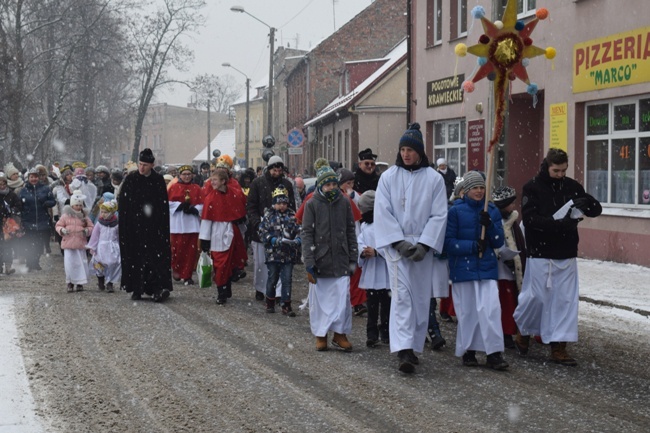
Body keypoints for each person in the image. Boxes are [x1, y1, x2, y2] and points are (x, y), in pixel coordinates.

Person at [513, 148, 602, 366]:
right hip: (540, 252)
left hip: (566, 251)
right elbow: (531, 219)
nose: (560, 174)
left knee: (565, 301)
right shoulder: (532, 187)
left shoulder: (571, 186)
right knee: (535, 298)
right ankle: (523, 330)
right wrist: (558, 225)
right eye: (556, 171)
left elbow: (596, 209)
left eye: (563, 170)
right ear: (547, 166)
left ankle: (559, 346)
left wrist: (587, 204)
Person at [374, 123, 448, 374]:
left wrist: (425, 244)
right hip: (397, 248)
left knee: (420, 298)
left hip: (422, 248)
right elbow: (382, 212)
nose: (406, 154)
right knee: (402, 296)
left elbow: (439, 215)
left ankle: (414, 346)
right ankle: (403, 349)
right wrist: (398, 242)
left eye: (410, 150)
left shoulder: (434, 179)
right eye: (403, 149)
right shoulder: (388, 177)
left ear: (420, 152)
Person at [444, 171, 509, 370]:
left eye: (482, 187)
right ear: (465, 190)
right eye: (475, 188)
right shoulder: (455, 211)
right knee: (468, 311)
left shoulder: (491, 210)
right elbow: (448, 243)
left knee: (490, 310)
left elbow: (499, 241)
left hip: (487, 268)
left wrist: (489, 226)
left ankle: (494, 353)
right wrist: (472, 246)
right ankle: (469, 350)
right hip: (463, 270)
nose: (479, 191)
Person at [302, 158, 358, 352]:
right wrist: (309, 262)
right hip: (320, 260)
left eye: (334, 183)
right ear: (321, 185)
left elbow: (351, 230)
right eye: (328, 184)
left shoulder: (344, 202)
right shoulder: (312, 204)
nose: (332, 187)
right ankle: (321, 334)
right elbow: (307, 233)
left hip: (341, 259)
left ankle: (340, 334)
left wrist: (353, 256)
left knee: (342, 300)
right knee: (321, 302)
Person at [118, 148, 172, 302]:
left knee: (153, 259)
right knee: (135, 258)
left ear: (152, 165)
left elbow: (162, 206)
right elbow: (124, 204)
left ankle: (156, 288)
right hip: (134, 228)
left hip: (153, 229)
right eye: (140, 164)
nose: (141, 168)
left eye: (145, 165)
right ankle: (136, 288)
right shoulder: (131, 179)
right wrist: (128, 224)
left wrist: (159, 226)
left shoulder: (157, 180)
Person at [247, 155, 296, 301]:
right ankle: (261, 288)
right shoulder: (257, 183)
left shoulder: (287, 184)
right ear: (269, 169)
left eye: (279, 170)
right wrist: (257, 223)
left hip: (282, 229)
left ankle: (278, 292)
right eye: (274, 170)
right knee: (261, 262)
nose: (277, 173)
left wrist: (290, 222)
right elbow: (251, 206)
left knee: (280, 261)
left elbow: (291, 205)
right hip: (261, 229)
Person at [199, 170, 247, 304]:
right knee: (220, 264)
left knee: (231, 262)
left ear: (223, 181)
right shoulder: (210, 198)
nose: (212, 182)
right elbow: (207, 220)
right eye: (211, 180)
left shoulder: (235, 193)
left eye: (215, 180)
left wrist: (240, 221)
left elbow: (241, 212)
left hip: (232, 231)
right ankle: (221, 291)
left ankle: (227, 286)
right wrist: (205, 240)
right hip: (217, 233)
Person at [492, 186, 527, 349]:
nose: (513, 207)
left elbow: (518, 241)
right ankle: (503, 333)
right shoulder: (493, 219)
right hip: (497, 270)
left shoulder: (512, 221)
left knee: (509, 303)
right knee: (502, 303)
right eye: (510, 204)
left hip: (511, 270)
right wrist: (500, 254)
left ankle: (509, 331)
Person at [258, 186, 301, 316]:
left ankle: (286, 304)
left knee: (287, 279)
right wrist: (271, 239)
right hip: (273, 254)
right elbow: (262, 231)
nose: (282, 206)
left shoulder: (292, 216)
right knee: (272, 278)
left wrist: (298, 239)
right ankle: (270, 301)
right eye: (279, 203)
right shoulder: (269, 216)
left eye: (284, 203)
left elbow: (299, 229)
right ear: (274, 203)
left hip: (288, 254)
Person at [356, 190, 391, 347]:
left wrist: (377, 252)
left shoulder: (385, 225)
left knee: (386, 305)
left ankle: (386, 331)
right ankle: (371, 333)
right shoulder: (365, 226)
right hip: (371, 272)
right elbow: (359, 242)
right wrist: (362, 252)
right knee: (372, 305)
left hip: (384, 271)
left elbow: (391, 245)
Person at [168, 165, 203, 285]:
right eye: (184, 174)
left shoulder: (197, 188)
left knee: (191, 251)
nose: (187, 176)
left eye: (189, 174)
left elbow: (203, 203)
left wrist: (195, 209)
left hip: (192, 224)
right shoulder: (173, 187)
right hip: (178, 224)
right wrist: (180, 206)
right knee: (177, 250)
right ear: (180, 175)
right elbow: (167, 203)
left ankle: (187, 275)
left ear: (192, 175)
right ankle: (177, 271)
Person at [18, 168, 56, 271]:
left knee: (39, 244)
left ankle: (36, 262)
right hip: (28, 220)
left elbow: (53, 201)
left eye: (35, 177)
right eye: (32, 177)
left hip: (42, 220)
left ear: (38, 178)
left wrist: (47, 203)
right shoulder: (23, 190)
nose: (34, 179)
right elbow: (19, 205)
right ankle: (29, 263)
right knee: (29, 243)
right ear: (28, 178)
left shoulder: (45, 188)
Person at [55, 190, 93, 292]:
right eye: (76, 205)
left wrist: (86, 231)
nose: (78, 207)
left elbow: (91, 226)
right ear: (72, 205)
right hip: (69, 244)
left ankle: (80, 282)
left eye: (80, 205)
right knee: (69, 264)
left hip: (80, 243)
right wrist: (62, 230)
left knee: (81, 263)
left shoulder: (84, 216)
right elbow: (58, 225)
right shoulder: (66, 216)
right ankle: (70, 282)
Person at [86, 199, 121, 293]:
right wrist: (92, 247)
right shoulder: (99, 223)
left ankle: (110, 283)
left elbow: (118, 236)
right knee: (99, 263)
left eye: (105, 212)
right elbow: (95, 236)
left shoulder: (116, 224)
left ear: (111, 212)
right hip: (101, 247)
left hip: (113, 247)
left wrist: (120, 246)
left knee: (114, 264)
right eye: (102, 212)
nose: (103, 214)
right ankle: (100, 280)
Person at [0, 174, 21, 274]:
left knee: (8, 245)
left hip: (8, 223)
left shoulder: (12, 195)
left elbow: (18, 205)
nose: (2, 186)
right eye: (0, 184)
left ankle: (8, 266)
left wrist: (12, 211)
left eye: (4, 184)